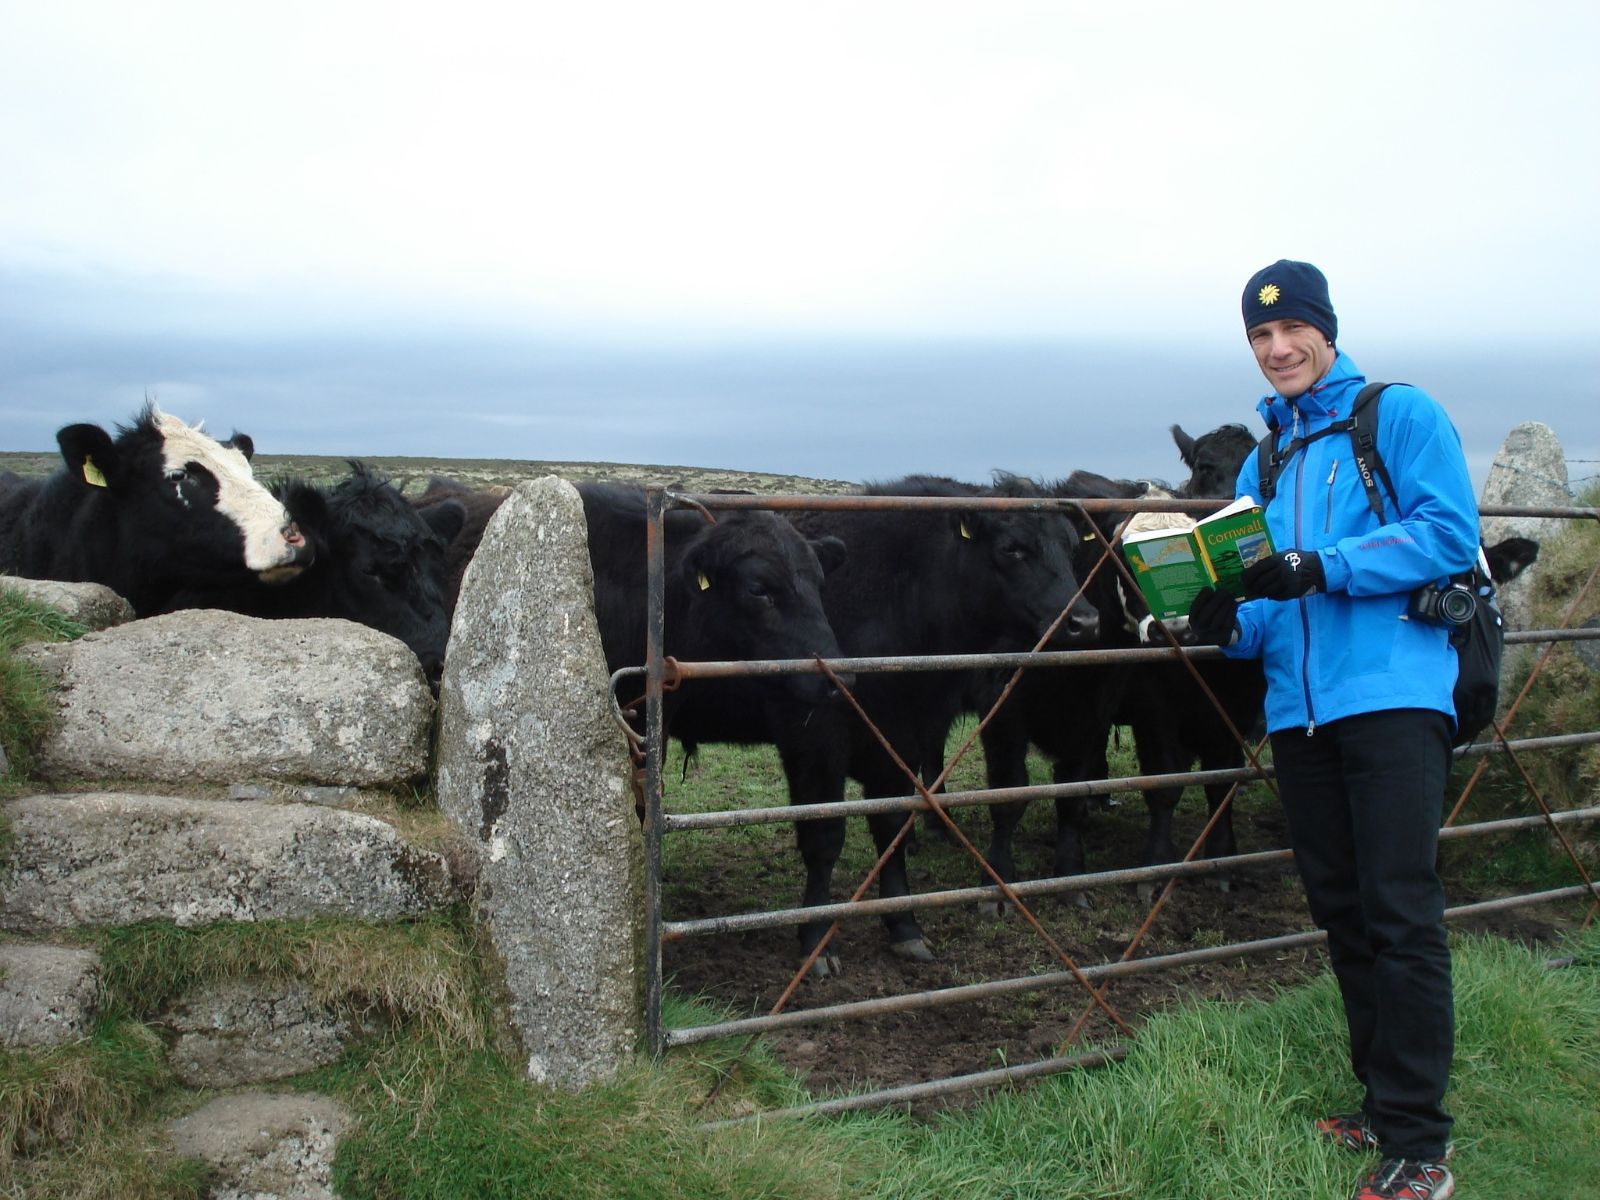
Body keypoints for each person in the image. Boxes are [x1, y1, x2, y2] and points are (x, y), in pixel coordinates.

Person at [1186, 260, 1478, 1200]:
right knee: (1344, 914)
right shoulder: (1260, 460)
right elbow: (1271, 596)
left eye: (1291, 331)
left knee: (1399, 913)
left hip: (1393, 697)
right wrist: (1227, 624)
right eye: (1259, 338)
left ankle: (1421, 1146)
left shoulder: (1397, 414)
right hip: (1298, 716)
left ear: (1326, 328)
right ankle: (1383, 1104)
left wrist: (1325, 563)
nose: (1277, 350)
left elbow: (1448, 533)